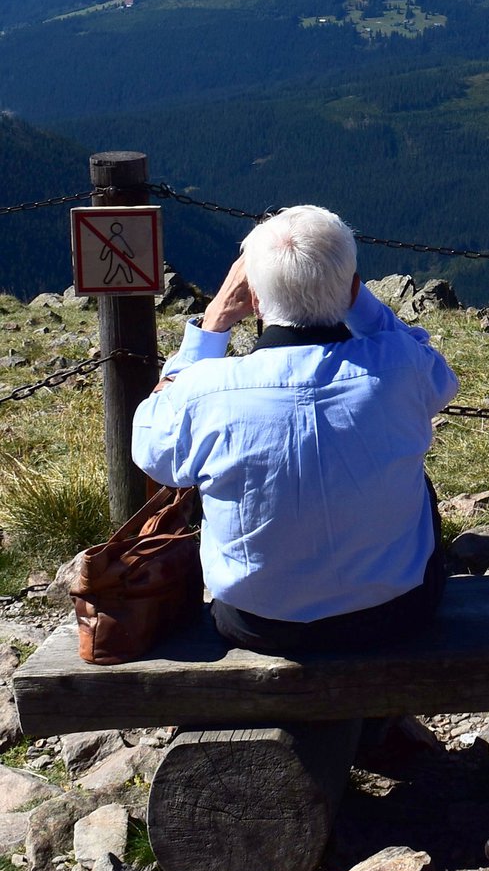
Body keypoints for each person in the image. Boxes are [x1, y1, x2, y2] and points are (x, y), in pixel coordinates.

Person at [132, 205, 458, 655]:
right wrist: (353, 296)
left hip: (257, 622)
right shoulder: (400, 365)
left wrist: (212, 325)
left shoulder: (202, 390)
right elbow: (436, 368)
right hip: (398, 612)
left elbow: (150, 445)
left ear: (256, 302)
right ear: (352, 290)